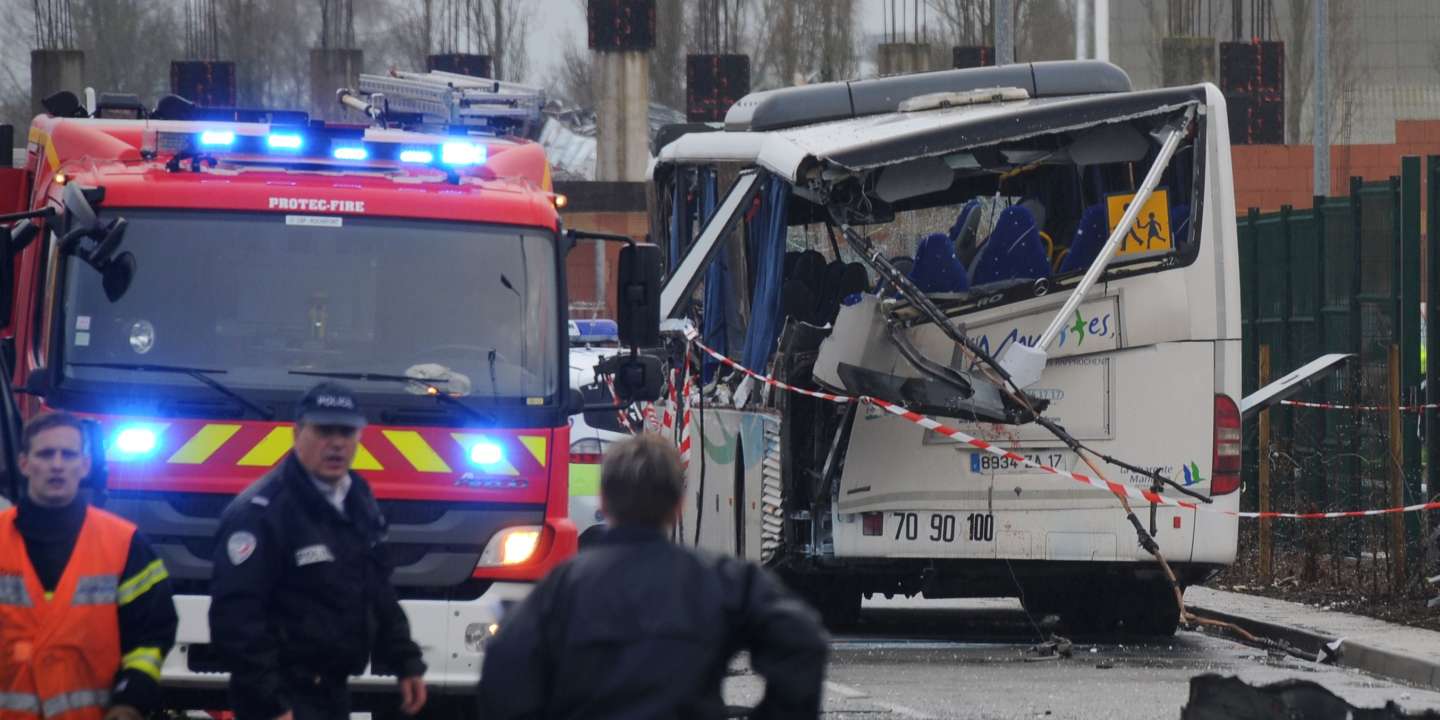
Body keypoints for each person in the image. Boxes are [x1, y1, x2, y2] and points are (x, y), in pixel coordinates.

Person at [478, 433, 830, 719]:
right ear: (678, 505)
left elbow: (506, 668)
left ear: (604, 500)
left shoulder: (563, 586)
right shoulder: (721, 581)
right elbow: (801, 641)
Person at [210, 382, 427, 720]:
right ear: (297, 433)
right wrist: (272, 703)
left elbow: (376, 587)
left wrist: (405, 661)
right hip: (280, 698)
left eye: (347, 431)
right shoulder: (261, 513)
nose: (337, 443)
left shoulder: (357, 497)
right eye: (324, 431)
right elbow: (237, 621)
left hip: (332, 691)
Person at [0, 411, 178, 720]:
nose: (57, 464)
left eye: (68, 455)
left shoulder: (125, 544)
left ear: (85, 466)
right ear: (24, 463)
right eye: (45, 453)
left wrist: (130, 700)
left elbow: (151, 635)